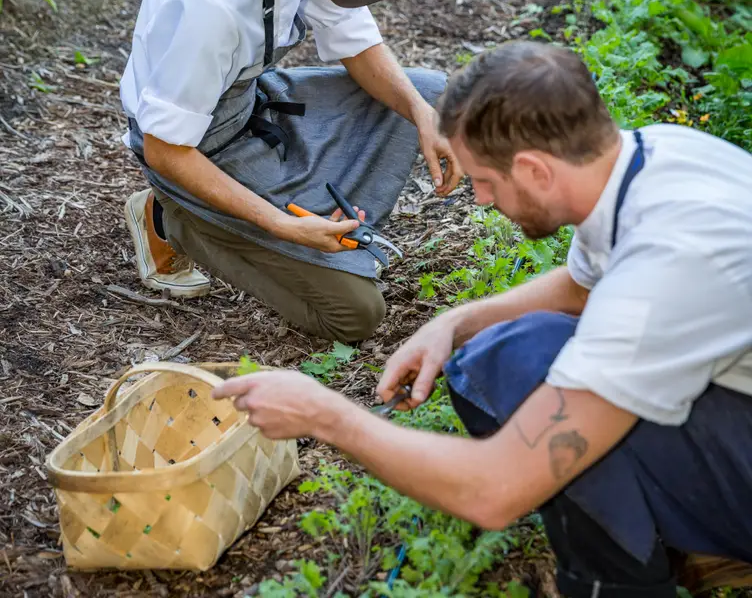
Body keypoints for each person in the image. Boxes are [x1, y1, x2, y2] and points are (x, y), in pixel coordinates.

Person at [212, 41, 752, 597]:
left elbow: (495, 491)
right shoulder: (652, 158)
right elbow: (583, 286)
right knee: (508, 354)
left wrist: (327, 416)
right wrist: (454, 322)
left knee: (533, 403)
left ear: (536, 170)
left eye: (484, 182)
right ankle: (682, 539)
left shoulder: (665, 272)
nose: (482, 201)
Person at [118, 0, 462, 343]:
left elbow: (354, 39)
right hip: (193, 145)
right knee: (355, 314)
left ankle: (307, 214)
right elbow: (165, 149)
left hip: (251, 101)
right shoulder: (209, 5)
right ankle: (171, 217)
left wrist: (422, 115)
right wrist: (282, 227)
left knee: (423, 95)